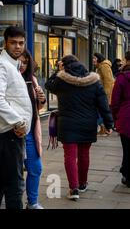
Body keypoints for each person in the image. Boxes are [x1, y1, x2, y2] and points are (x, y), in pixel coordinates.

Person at [45, 55, 113, 200]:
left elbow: (48, 84)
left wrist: (57, 71)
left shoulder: (61, 81)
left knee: (70, 156)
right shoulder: (94, 82)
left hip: (68, 124)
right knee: (84, 155)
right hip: (87, 124)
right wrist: (109, 124)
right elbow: (103, 105)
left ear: (64, 65)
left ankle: (73, 189)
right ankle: (82, 184)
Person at [0, 26, 32, 209]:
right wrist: (18, 121)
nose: (18, 47)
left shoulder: (10, 65)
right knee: (14, 184)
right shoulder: (2, 65)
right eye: (13, 43)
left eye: (21, 43)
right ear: (5, 44)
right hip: (7, 132)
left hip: (5, 131)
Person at [19, 50, 46, 209]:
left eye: (25, 62)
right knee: (12, 172)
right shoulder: (7, 79)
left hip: (30, 133)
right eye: (19, 62)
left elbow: (37, 108)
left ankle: (32, 202)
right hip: (13, 132)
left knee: (35, 168)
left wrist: (41, 100)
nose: (22, 65)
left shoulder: (32, 80)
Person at [110, 51, 130, 188]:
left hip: (126, 118)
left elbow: (115, 101)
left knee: (127, 149)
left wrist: (115, 117)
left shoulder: (122, 78)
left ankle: (128, 176)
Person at [93, 53, 115, 135]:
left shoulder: (104, 66)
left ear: (99, 58)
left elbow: (108, 81)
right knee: (101, 111)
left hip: (104, 94)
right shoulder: (99, 67)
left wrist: (105, 95)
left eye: (94, 58)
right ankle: (103, 129)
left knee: (102, 110)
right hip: (101, 93)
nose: (93, 60)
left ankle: (105, 129)